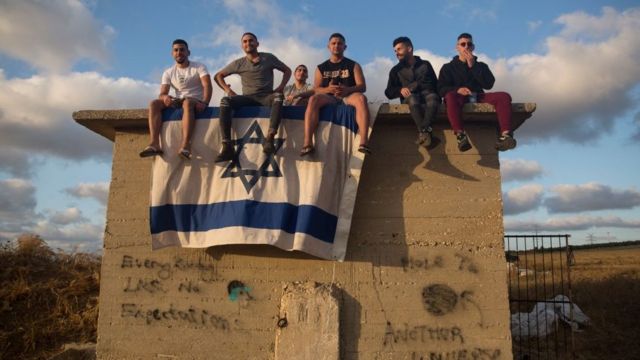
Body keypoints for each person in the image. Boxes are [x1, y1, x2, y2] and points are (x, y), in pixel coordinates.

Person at [214, 32, 291, 161]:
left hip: (267, 96)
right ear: (242, 46)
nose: (248, 43)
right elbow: (218, 76)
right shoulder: (239, 63)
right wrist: (228, 91)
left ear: (257, 43)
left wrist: (281, 86)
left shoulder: (269, 58)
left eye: (251, 40)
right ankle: (227, 146)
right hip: (247, 98)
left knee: (278, 96)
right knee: (225, 101)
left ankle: (270, 138)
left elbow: (287, 70)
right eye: (245, 42)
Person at [438, 33, 517, 152]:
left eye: (469, 44)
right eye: (463, 44)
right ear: (457, 47)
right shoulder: (448, 67)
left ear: (473, 47)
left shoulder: (481, 66)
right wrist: (457, 90)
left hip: (478, 96)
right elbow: (441, 89)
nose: (466, 47)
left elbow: (489, 84)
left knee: (504, 96)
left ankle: (506, 136)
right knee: (450, 96)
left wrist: (473, 66)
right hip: (458, 97)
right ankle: (460, 135)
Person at [139, 39, 212, 160]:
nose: (179, 52)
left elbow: (207, 85)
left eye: (182, 50)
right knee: (154, 104)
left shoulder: (199, 67)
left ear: (188, 52)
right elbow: (162, 93)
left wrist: (205, 102)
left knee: (187, 102)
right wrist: (165, 97)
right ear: (172, 53)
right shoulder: (168, 72)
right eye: (176, 50)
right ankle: (154, 144)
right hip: (178, 100)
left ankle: (185, 146)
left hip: (194, 100)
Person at [300, 33, 371, 156]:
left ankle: (364, 142)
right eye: (333, 43)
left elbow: (362, 87)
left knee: (361, 98)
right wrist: (328, 89)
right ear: (328, 46)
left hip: (348, 96)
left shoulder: (353, 65)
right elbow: (316, 89)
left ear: (345, 47)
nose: (336, 46)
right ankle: (307, 143)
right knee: (313, 100)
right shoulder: (321, 67)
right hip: (330, 97)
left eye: (339, 43)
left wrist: (347, 90)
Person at [384, 36, 440, 148]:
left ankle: (423, 132)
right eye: (395, 51)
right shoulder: (395, 70)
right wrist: (400, 90)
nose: (396, 53)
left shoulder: (425, 64)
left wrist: (412, 87)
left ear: (409, 48)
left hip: (429, 96)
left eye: (399, 49)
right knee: (413, 98)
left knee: (433, 97)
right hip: (410, 99)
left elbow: (434, 84)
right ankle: (425, 132)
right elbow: (388, 92)